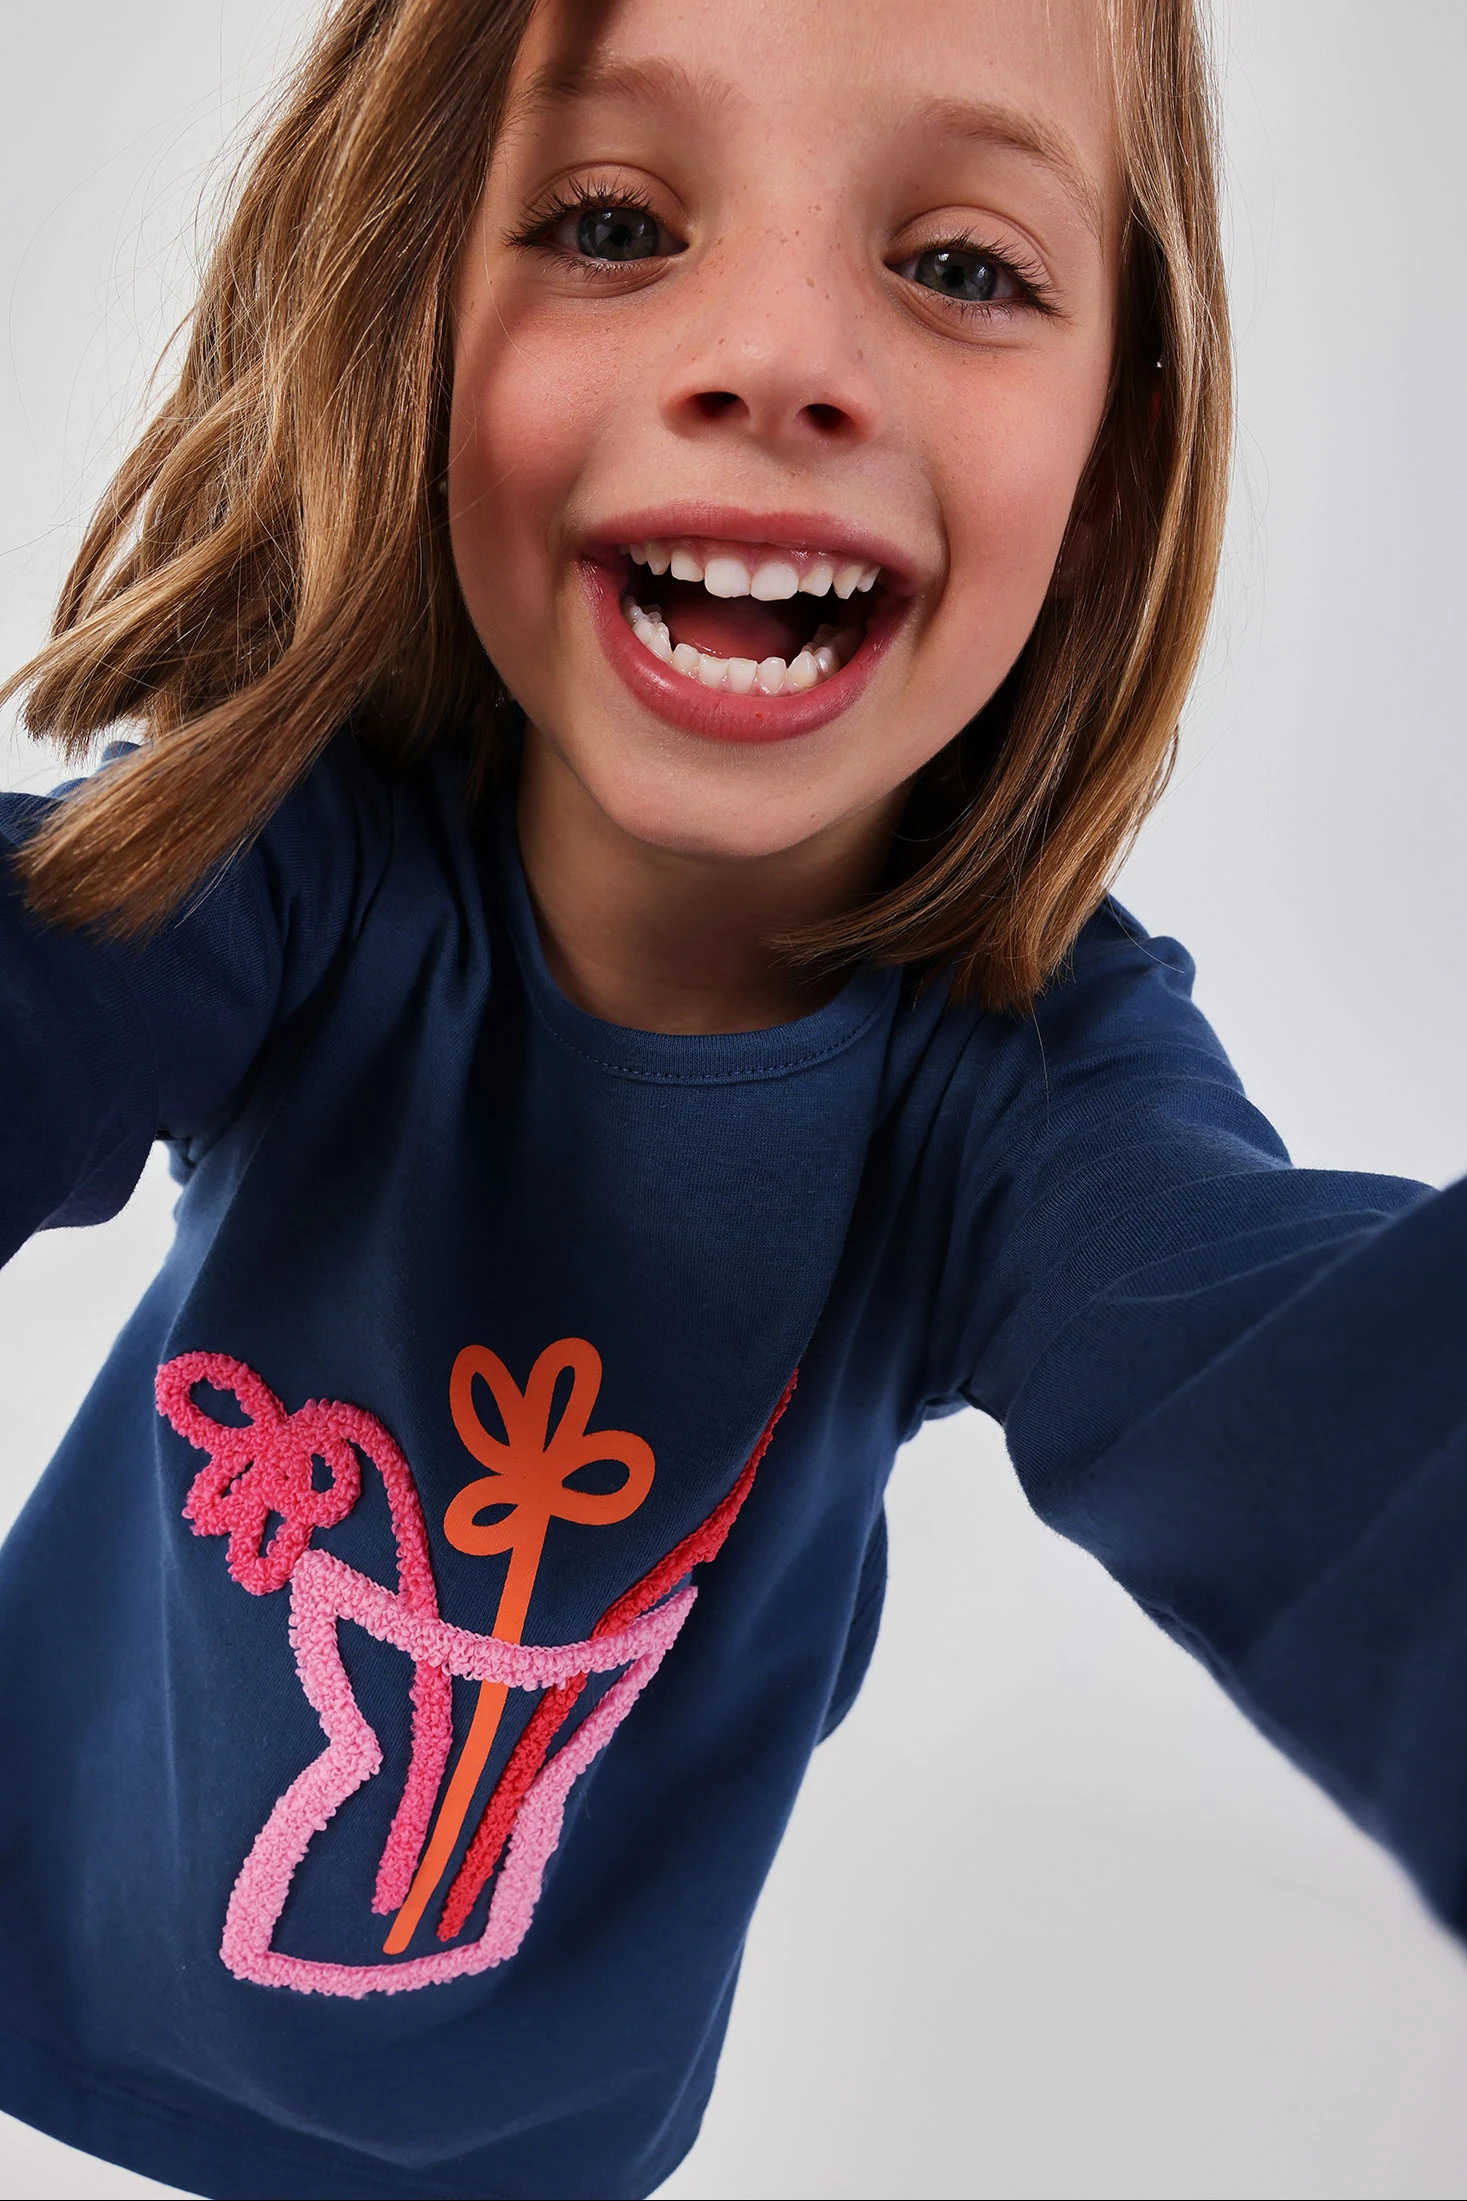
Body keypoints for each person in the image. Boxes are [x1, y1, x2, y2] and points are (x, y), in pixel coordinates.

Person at [0, 0, 1461, 2195]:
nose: (777, 358)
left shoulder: (1029, 1099)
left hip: (552, 2144)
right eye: (611, 222)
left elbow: (1328, 1393)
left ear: (1112, 451)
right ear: (415, 313)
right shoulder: (285, 863)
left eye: (958, 265)